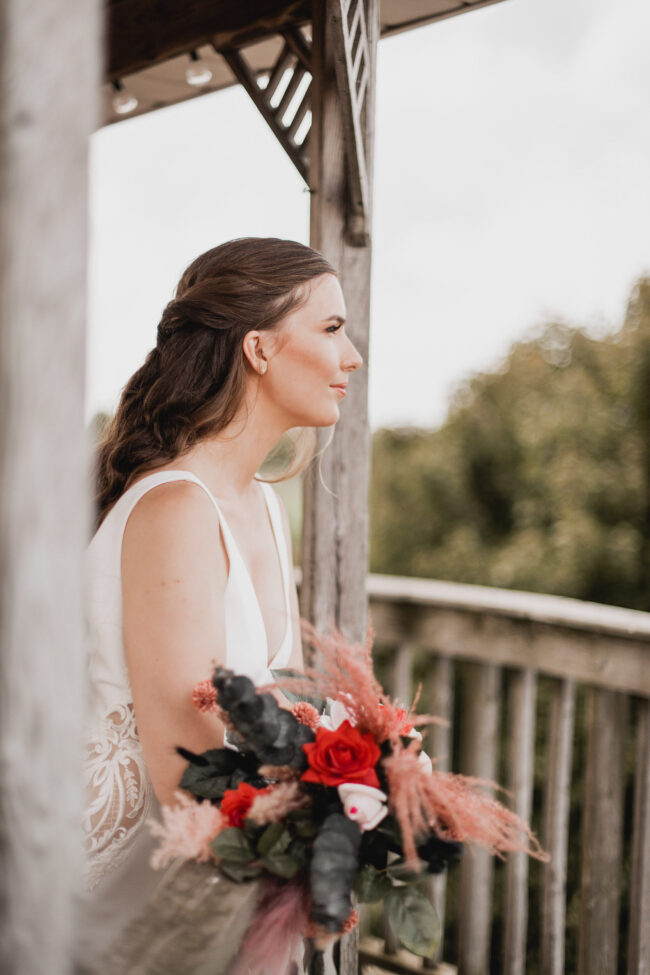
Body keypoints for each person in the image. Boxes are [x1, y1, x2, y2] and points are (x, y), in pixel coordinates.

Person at [76, 237, 363, 968]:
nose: (351, 356)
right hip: (135, 911)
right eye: (331, 329)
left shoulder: (261, 504)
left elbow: (278, 709)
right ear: (259, 348)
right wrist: (346, 807)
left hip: (227, 886)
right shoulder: (176, 510)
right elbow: (188, 776)